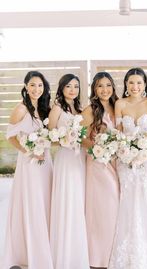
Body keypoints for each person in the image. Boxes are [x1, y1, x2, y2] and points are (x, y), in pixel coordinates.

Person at [108, 67, 147, 269]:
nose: (135, 86)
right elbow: (118, 132)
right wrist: (126, 152)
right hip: (126, 160)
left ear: (145, 84)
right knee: (129, 199)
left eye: (139, 82)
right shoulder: (120, 104)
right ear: (126, 85)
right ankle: (128, 252)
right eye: (131, 82)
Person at [2, 71, 53, 269]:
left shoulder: (43, 108)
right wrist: (29, 152)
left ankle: (45, 248)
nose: (36, 89)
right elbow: (10, 136)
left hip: (46, 163)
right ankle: (29, 253)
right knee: (32, 203)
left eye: (40, 85)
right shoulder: (21, 109)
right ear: (25, 86)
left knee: (45, 201)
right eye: (32, 85)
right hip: (30, 164)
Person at [49, 74, 90, 269]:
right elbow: (50, 136)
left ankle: (78, 249)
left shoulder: (80, 109)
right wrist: (65, 140)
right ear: (62, 88)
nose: (72, 90)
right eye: (68, 86)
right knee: (67, 199)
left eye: (76, 86)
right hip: (65, 158)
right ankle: (64, 252)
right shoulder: (57, 108)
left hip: (80, 157)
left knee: (79, 200)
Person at [81, 71, 119, 269]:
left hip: (116, 162)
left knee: (116, 209)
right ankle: (98, 258)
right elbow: (80, 137)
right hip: (98, 164)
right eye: (100, 86)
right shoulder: (90, 110)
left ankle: (113, 254)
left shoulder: (117, 106)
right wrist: (97, 149)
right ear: (95, 89)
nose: (105, 89)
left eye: (108, 85)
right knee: (104, 208)